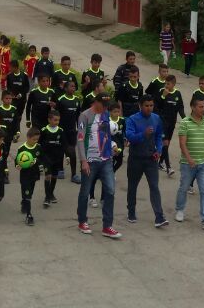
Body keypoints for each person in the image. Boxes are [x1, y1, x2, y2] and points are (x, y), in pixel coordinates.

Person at [75, 94, 123, 239]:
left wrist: (113, 146)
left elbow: (107, 134)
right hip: (90, 160)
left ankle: (107, 226)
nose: (106, 108)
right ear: (96, 102)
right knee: (85, 192)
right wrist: (83, 160)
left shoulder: (106, 114)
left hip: (106, 160)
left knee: (110, 190)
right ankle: (82, 221)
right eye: (103, 105)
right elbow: (80, 138)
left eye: (107, 105)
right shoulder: (85, 116)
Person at [174, 97, 204, 231]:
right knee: (183, 187)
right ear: (193, 107)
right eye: (200, 107)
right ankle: (180, 210)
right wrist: (189, 159)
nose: (203, 109)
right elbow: (182, 144)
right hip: (188, 164)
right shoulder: (185, 122)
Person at [124, 96, 168, 228]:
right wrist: (143, 134)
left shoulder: (156, 118)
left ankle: (159, 216)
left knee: (154, 187)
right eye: (146, 105)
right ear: (140, 106)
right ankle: (131, 211)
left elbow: (159, 136)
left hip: (151, 159)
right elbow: (130, 137)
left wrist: (159, 150)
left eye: (151, 105)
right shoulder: (132, 119)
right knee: (132, 186)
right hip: (136, 159)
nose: (149, 108)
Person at [55, 79, 84, 183]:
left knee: (72, 152)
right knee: (60, 151)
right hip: (62, 131)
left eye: (74, 87)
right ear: (65, 88)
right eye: (71, 86)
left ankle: (74, 175)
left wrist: (80, 128)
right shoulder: (61, 100)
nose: (73, 88)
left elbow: (78, 117)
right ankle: (60, 169)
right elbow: (56, 115)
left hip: (72, 131)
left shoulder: (77, 100)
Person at [157, 75, 185, 176]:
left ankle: (160, 163)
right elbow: (157, 105)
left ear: (173, 84)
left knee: (167, 144)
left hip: (172, 123)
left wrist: (185, 119)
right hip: (162, 122)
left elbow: (180, 108)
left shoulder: (177, 94)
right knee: (165, 143)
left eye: (168, 84)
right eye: (165, 83)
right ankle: (168, 167)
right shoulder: (162, 92)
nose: (166, 85)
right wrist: (163, 96)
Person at [16, 127, 42, 226]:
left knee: (30, 193)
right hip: (25, 175)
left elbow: (41, 158)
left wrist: (36, 162)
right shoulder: (21, 148)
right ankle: (29, 216)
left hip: (34, 174)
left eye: (37, 139)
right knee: (27, 194)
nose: (35, 141)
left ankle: (24, 202)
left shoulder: (38, 147)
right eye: (33, 139)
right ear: (28, 137)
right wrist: (17, 165)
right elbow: (17, 160)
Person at [38, 111, 64, 208]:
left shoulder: (60, 131)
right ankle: (47, 197)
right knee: (48, 176)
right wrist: (39, 157)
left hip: (57, 158)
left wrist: (67, 156)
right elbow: (39, 144)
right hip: (46, 158)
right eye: (55, 120)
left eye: (58, 120)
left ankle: (51, 193)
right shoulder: (44, 130)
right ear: (49, 120)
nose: (57, 122)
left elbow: (63, 144)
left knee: (54, 177)